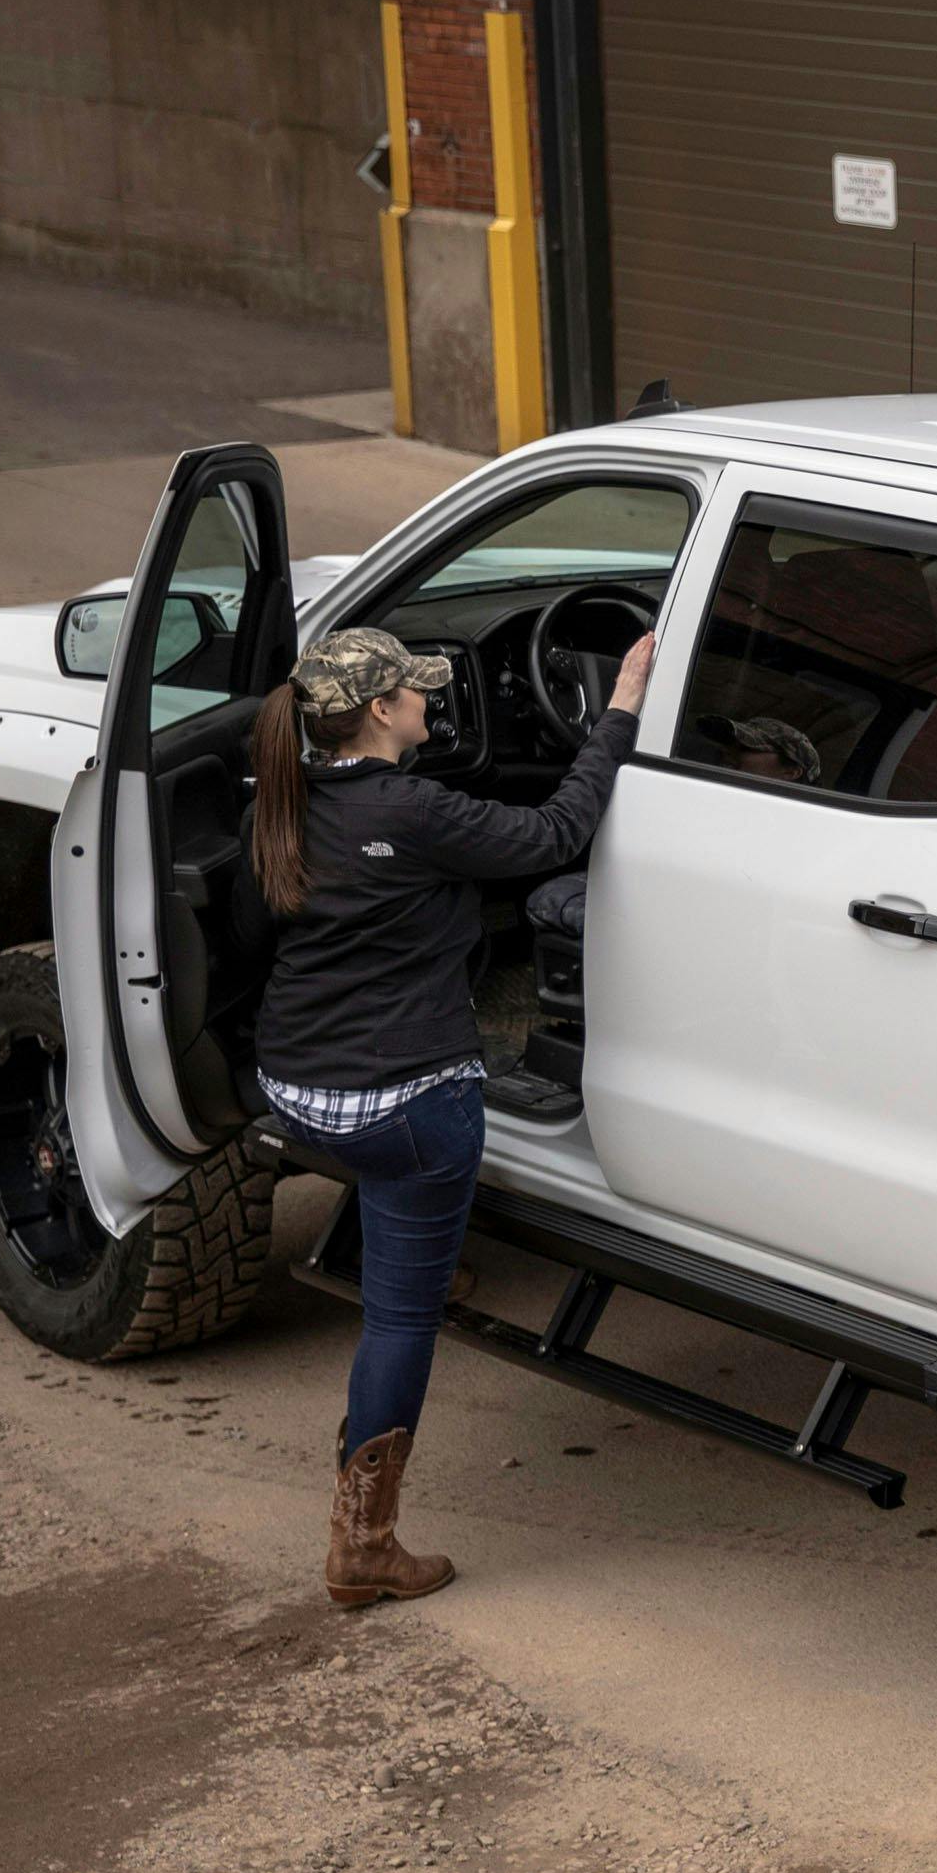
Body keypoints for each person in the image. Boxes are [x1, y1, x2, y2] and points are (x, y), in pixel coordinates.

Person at [247, 621, 653, 1607]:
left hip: (296, 1089)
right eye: (417, 692)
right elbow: (556, 835)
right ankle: (364, 1544)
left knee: (403, 1212)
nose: (431, 701)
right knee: (399, 1320)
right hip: (405, 1106)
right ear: (381, 711)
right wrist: (619, 714)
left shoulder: (287, 796)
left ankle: (413, 1247)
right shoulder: (415, 806)